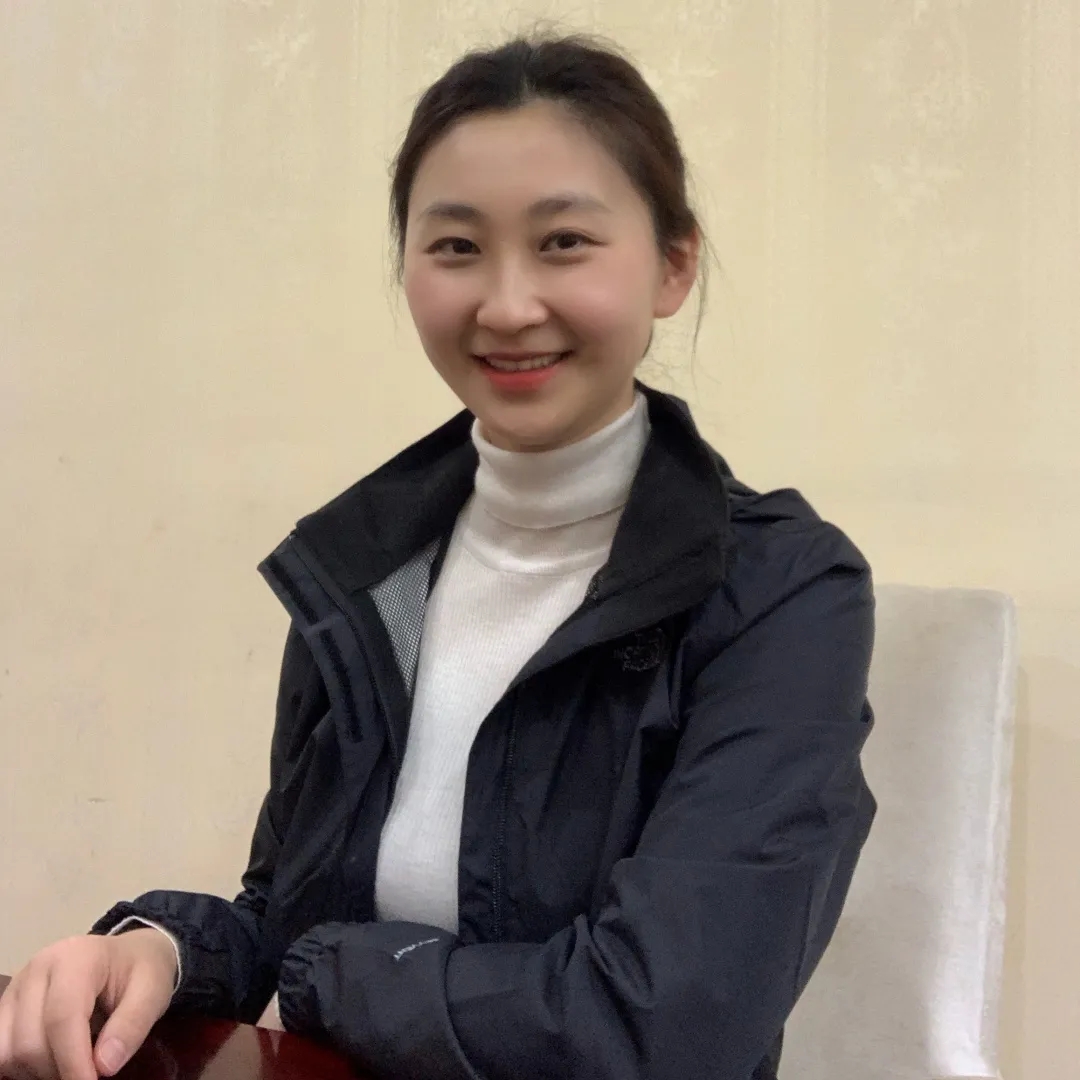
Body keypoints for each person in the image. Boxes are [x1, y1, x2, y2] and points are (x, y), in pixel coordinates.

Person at [0, 32, 875, 1080]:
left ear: (672, 265)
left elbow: (666, 1027)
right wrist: (159, 951)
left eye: (563, 242)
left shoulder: (779, 591)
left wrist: (324, 972)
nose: (506, 306)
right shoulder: (366, 565)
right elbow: (287, 907)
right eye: (456, 247)